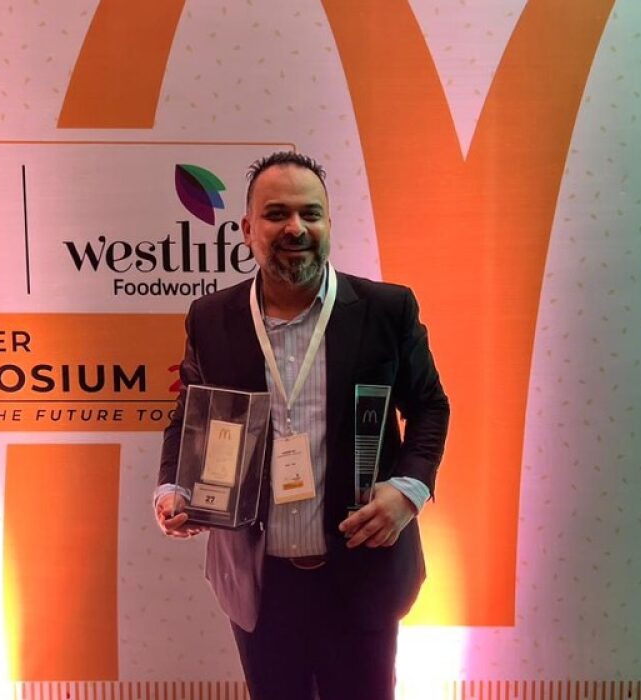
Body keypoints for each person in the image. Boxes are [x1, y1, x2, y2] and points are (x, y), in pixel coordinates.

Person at [154, 151, 449, 700]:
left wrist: (408, 490)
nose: (296, 228)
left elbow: (430, 406)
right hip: (260, 581)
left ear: (329, 223)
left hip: (361, 572)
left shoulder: (386, 310)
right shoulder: (213, 318)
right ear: (246, 228)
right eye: (276, 214)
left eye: (311, 214)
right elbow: (188, 414)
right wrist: (174, 486)